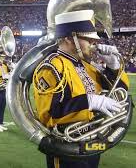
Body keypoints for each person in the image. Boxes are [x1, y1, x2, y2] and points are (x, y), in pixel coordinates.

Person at [32, 10, 129, 168]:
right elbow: (49, 115)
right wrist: (89, 101)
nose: (93, 44)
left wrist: (114, 67)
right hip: (67, 146)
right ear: (70, 38)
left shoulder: (85, 65)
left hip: (91, 140)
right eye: (88, 39)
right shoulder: (51, 67)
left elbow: (119, 92)